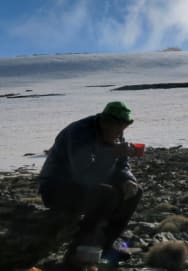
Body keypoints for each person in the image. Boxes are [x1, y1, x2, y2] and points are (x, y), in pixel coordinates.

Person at [38, 101, 142, 268]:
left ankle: (106, 245)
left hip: (86, 187)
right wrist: (112, 154)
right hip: (56, 187)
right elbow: (84, 174)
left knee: (134, 192)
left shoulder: (115, 133)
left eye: (124, 129)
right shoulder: (80, 133)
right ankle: (77, 253)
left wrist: (127, 179)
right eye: (118, 128)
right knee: (107, 194)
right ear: (106, 123)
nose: (121, 133)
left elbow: (122, 165)